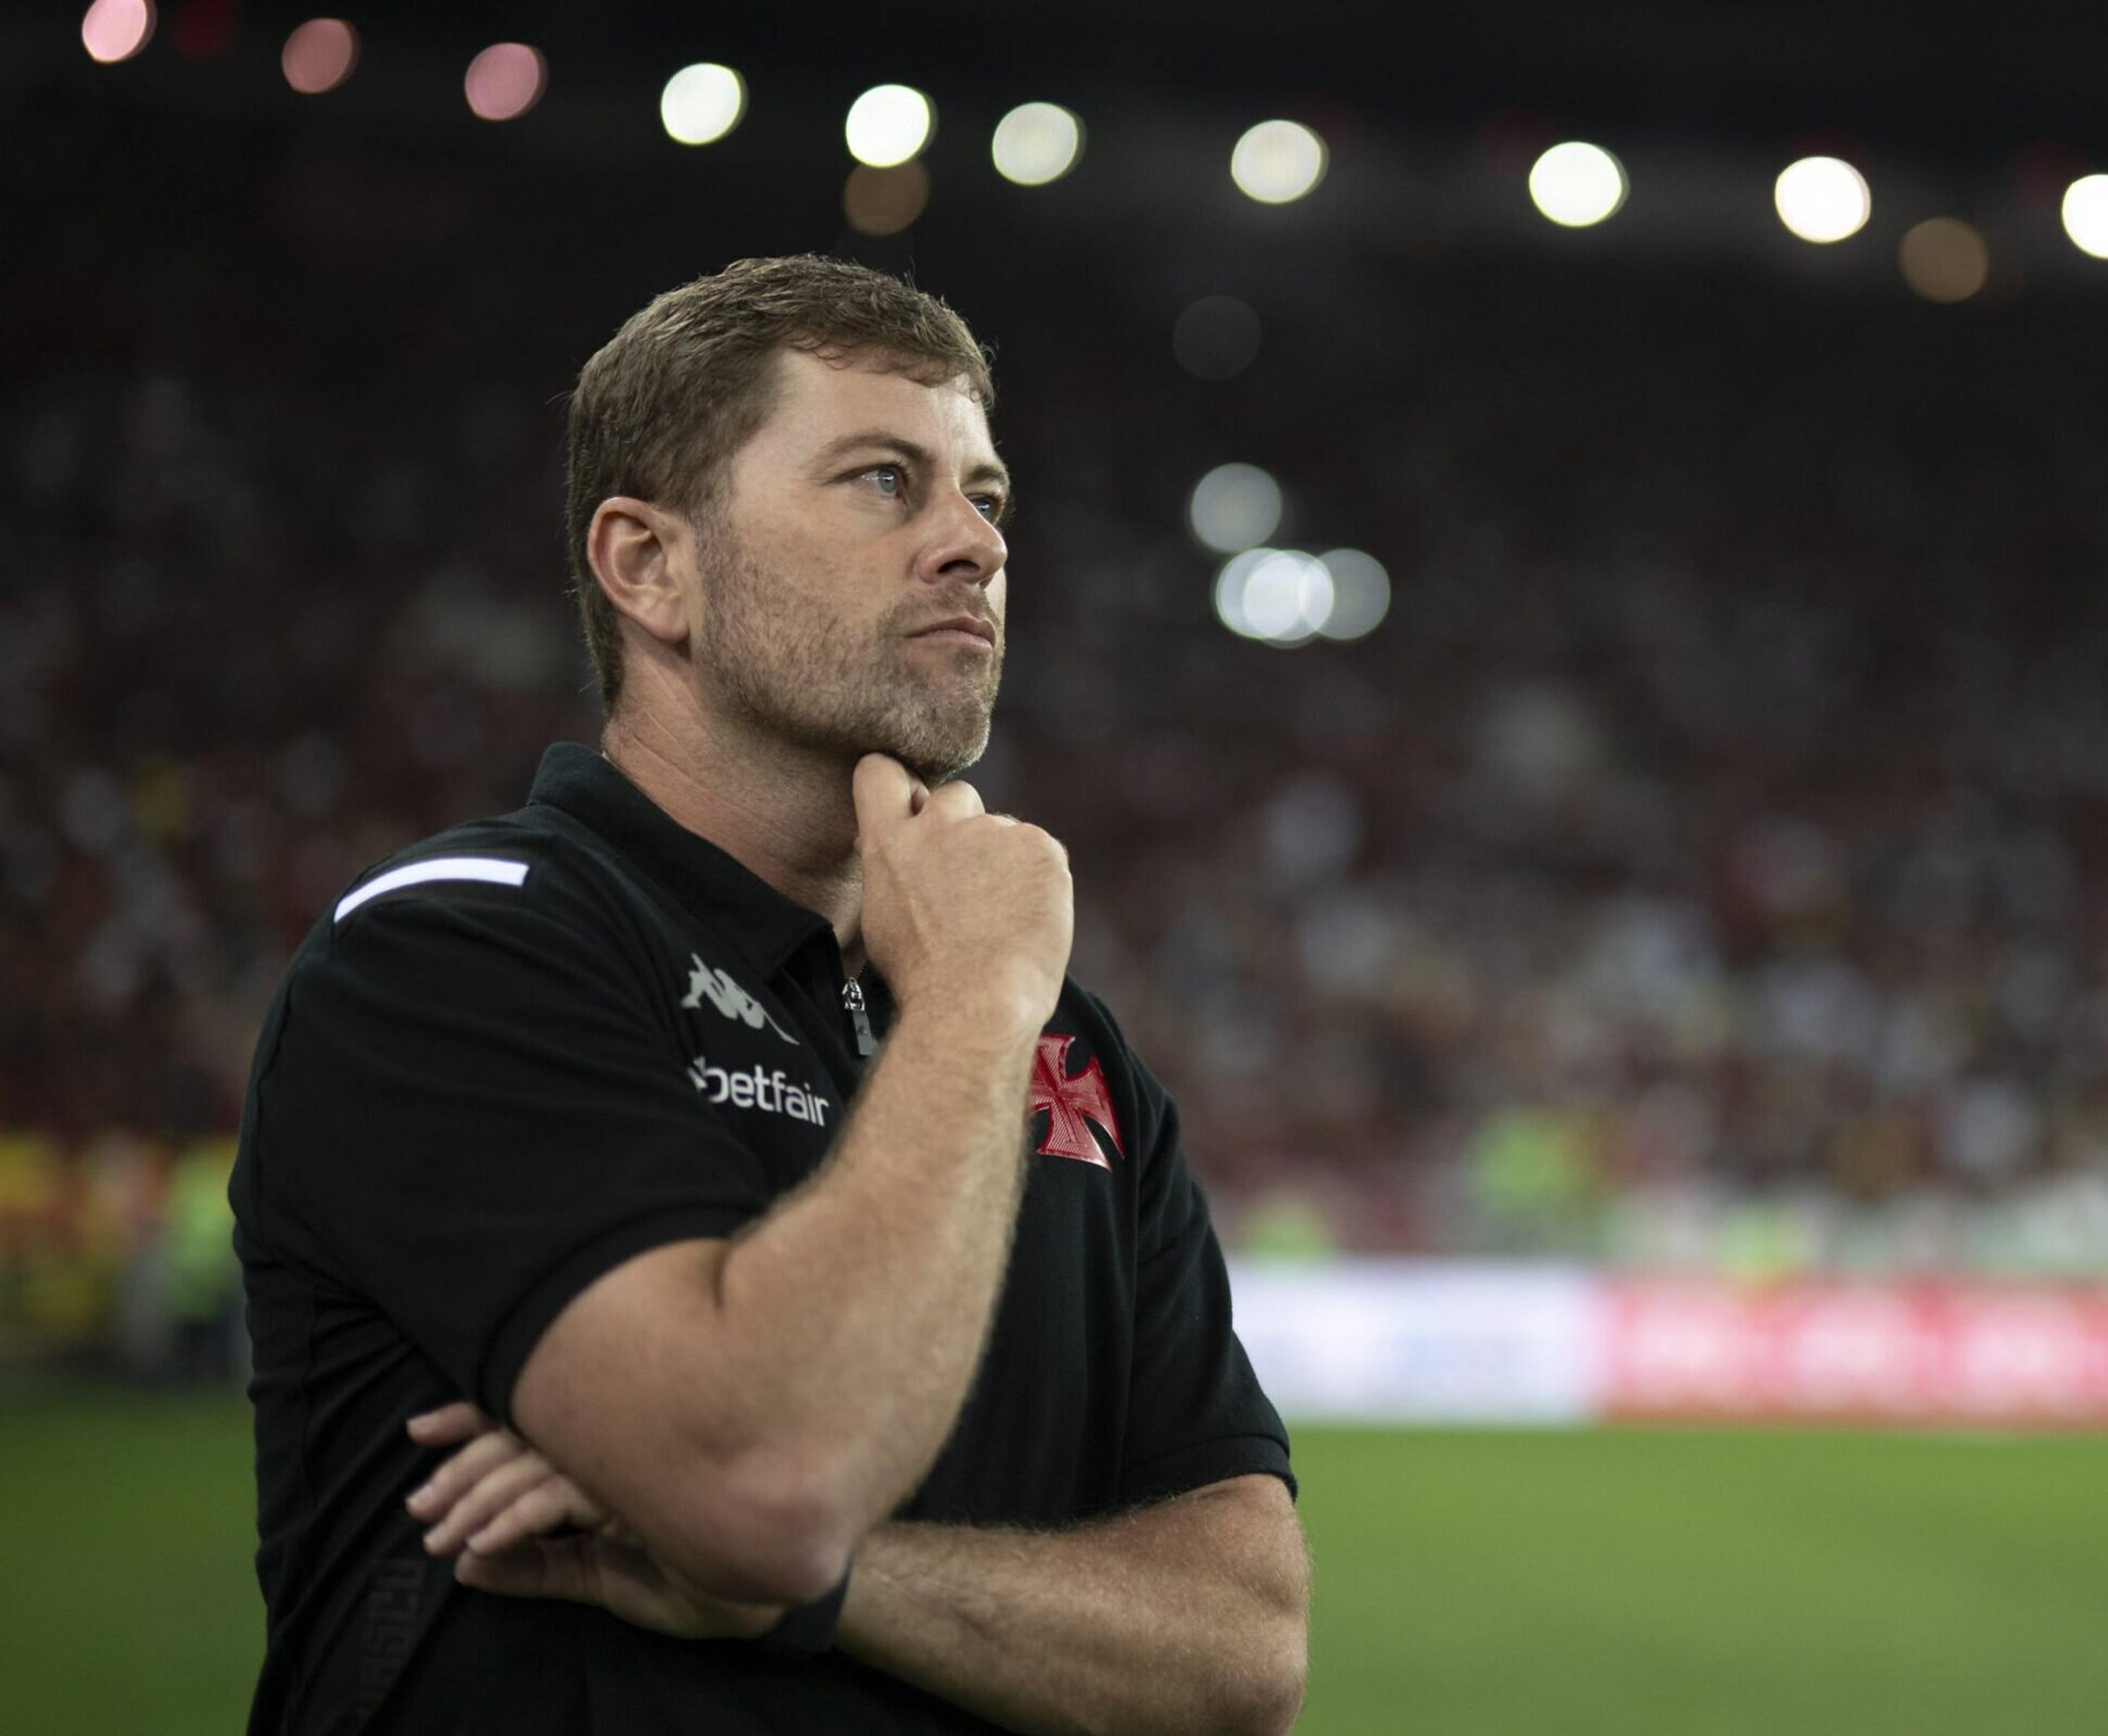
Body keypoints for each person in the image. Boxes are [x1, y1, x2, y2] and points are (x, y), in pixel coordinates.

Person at [229, 255, 1308, 1735]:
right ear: (647, 565)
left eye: (985, 497)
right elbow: (770, 1475)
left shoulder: (1069, 1050)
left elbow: (1242, 1651)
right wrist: (980, 994)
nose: (973, 546)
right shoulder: (451, 951)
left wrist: (832, 1583)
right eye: (883, 480)